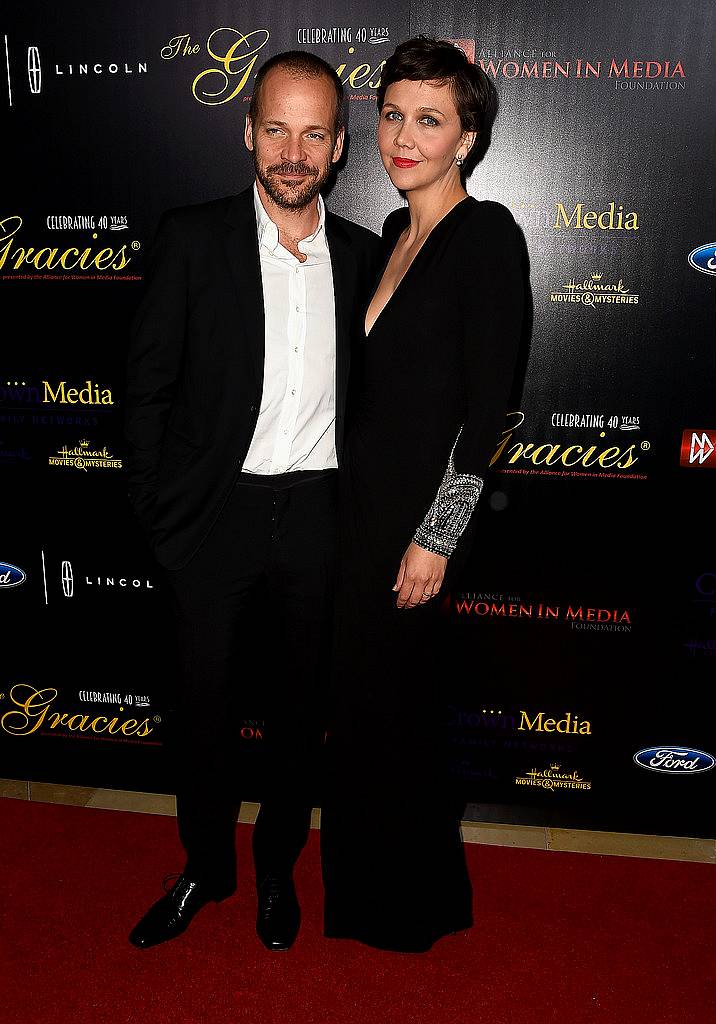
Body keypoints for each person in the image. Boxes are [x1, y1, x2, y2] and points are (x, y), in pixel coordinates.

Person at [124, 50, 379, 952]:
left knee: (296, 722)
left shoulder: (365, 258)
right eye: (276, 128)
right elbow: (145, 388)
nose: (293, 151)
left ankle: (277, 869)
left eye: (314, 132)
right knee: (201, 714)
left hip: (318, 520)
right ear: (247, 134)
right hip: (212, 520)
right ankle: (205, 867)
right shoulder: (192, 238)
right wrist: (164, 521)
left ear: (341, 146)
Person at [320, 37, 526, 952]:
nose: (404, 137)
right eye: (393, 114)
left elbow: (492, 411)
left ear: (467, 138)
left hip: (417, 527)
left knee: (398, 714)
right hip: (354, 520)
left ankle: (411, 907)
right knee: (362, 715)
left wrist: (438, 536)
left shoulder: (487, 237)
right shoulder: (389, 240)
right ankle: (369, 899)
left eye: (429, 119)